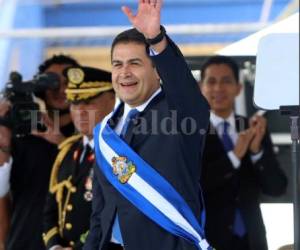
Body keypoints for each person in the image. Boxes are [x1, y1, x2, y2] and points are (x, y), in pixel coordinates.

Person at [84, 1, 211, 250]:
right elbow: (100, 212)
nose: (124, 72)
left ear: (157, 70)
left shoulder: (181, 116)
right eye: (117, 64)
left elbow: (183, 88)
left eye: (135, 63)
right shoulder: (105, 131)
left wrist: (156, 38)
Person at [199, 55, 287, 250]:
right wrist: (234, 156)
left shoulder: (254, 128)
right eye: (211, 81)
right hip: (208, 239)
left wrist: (256, 152)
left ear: (238, 88)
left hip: (252, 239)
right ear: (200, 87)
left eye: (226, 81)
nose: (218, 88)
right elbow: (196, 186)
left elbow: (277, 188)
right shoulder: (190, 132)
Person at [0, 55, 79, 250]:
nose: (60, 89)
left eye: (68, 82)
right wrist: (3, 142)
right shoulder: (21, 137)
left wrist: (62, 143)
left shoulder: (89, 138)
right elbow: (2, 198)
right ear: (40, 89)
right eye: (52, 82)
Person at [43, 66, 115, 250]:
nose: (80, 111)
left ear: (112, 101)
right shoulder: (67, 151)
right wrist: (54, 246)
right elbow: (50, 210)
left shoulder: (120, 152)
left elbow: (115, 214)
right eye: (74, 103)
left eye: (89, 102)